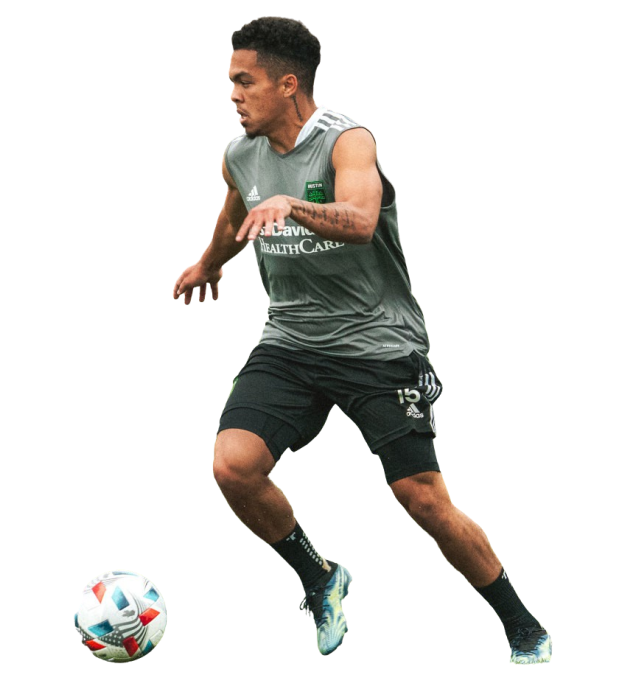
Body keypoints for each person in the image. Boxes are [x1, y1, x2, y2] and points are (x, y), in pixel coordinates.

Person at [173, 16, 552, 664]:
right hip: (290, 340)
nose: (232, 93)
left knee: (422, 500)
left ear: (287, 84)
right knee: (232, 466)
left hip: (377, 345)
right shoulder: (240, 153)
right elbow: (237, 211)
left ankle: (523, 624)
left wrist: (292, 205)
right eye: (231, 81)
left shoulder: (348, 141)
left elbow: (359, 217)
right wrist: (209, 264)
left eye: (245, 81)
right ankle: (321, 577)